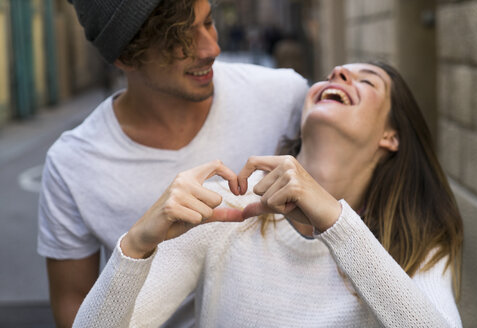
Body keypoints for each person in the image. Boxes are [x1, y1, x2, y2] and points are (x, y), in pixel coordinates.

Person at [72, 62, 464, 327]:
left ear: (390, 137)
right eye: (335, 73)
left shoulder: (418, 237)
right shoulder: (224, 210)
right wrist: (137, 244)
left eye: (366, 81)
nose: (339, 72)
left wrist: (336, 224)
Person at [37, 0, 308, 327]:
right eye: (179, 40)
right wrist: (139, 243)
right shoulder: (73, 163)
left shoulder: (284, 98)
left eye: (208, 23)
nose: (212, 48)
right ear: (126, 56)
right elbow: (74, 309)